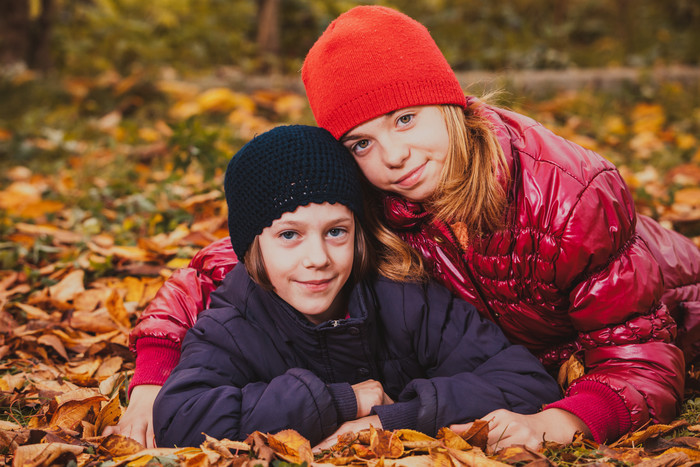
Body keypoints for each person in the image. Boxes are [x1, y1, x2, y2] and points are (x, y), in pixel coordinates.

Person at [106, 5, 700, 450]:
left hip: (669, 306)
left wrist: (563, 420)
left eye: (406, 118)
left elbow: (641, 352)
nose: (392, 156)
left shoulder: (570, 197)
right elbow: (226, 266)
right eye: (362, 141)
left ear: (450, 103)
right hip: (509, 358)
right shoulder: (368, 196)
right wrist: (154, 381)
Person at [151, 124, 561, 448]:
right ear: (251, 245)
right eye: (289, 235)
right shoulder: (236, 321)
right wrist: (342, 401)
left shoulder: (403, 296)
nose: (318, 258)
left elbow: (524, 381)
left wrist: (390, 419)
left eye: (336, 232)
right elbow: (180, 416)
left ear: (358, 232)